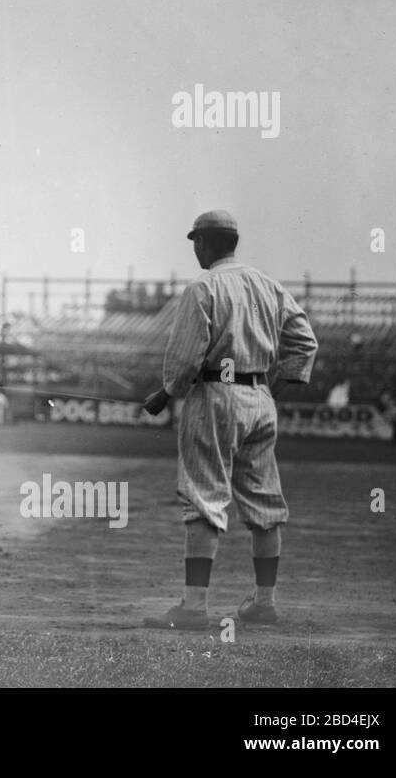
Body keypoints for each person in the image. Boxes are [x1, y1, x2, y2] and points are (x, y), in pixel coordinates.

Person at [142, 210, 318, 630]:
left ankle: (193, 607)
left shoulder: (204, 286)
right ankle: (265, 603)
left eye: (195, 242)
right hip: (258, 395)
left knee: (204, 497)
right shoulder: (268, 285)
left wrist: (165, 394)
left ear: (204, 242)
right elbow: (305, 343)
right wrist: (267, 389)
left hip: (215, 396)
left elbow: (185, 359)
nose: (195, 249)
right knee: (265, 503)